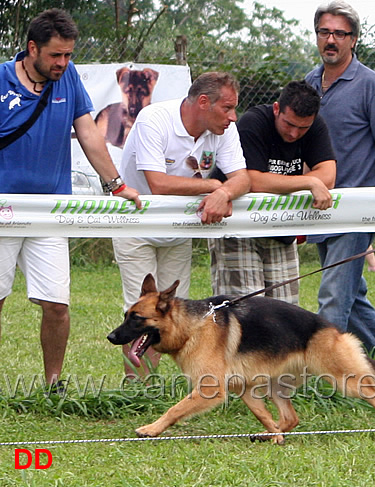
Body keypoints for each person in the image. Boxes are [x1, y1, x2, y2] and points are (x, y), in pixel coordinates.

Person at [0, 9, 141, 388]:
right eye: (55, 56)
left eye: (68, 55)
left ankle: (54, 384)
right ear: (32, 48)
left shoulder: (69, 78)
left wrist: (116, 184)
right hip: (3, 210)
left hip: (50, 210)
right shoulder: (0, 78)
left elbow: (90, 134)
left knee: (57, 306)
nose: (63, 63)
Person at [113, 71, 250, 377]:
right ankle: (138, 388)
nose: (233, 117)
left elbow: (244, 178)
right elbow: (157, 183)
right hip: (136, 225)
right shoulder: (154, 119)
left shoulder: (224, 130)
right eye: (227, 108)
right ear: (204, 102)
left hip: (179, 228)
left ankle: (155, 387)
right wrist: (214, 186)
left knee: (171, 311)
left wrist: (225, 192)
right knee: (140, 310)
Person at [305, 1, 375, 359]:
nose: (331, 40)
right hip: (319, 207)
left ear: (353, 39)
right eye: (324, 32)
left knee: (333, 296)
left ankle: (323, 381)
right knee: (352, 296)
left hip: (358, 211)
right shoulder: (308, 83)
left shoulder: (370, 85)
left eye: (339, 33)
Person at [208, 80, 336, 305]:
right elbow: (251, 180)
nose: (295, 133)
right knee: (245, 308)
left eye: (302, 128)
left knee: (285, 310)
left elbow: (328, 175)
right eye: (288, 124)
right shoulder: (253, 122)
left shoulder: (316, 126)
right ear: (277, 109)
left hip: (281, 227)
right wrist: (309, 182)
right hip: (238, 227)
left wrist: (312, 182)